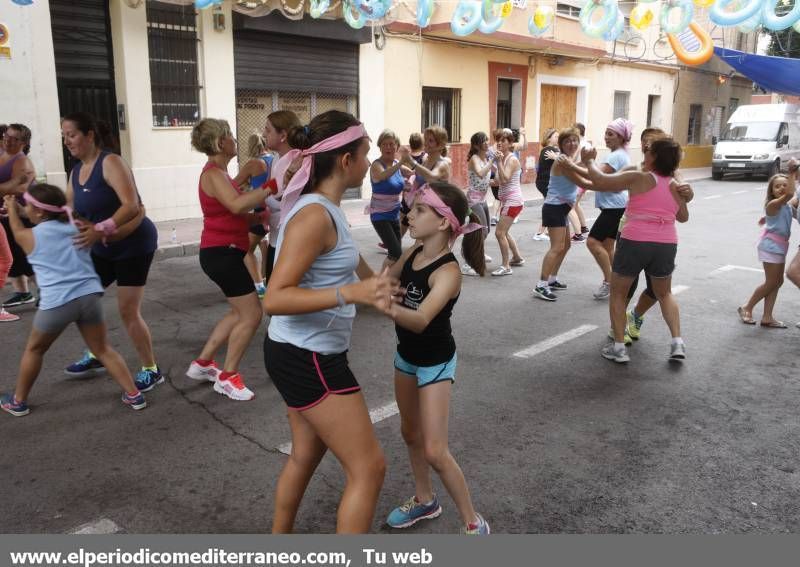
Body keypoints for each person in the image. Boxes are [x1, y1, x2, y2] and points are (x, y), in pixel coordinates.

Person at [263, 110, 394, 533]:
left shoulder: (328, 210)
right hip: (309, 358)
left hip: (300, 352)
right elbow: (275, 297)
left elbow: (353, 266)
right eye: (366, 152)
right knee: (369, 468)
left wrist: (384, 286)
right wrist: (348, 294)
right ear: (344, 161)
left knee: (305, 454)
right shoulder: (314, 215)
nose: (369, 161)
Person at [382, 181, 489, 534]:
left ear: (443, 222)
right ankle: (425, 500)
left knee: (435, 450)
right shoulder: (413, 253)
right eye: (411, 208)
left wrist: (383, 304)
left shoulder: (448, 272)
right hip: (406, 357)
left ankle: (474, 524)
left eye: (419, 210)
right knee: (410, 433)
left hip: (435, 363)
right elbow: (384, 280)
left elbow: (420, 319)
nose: (408, 214)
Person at [0, 185, 146, 417]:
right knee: (102, 349)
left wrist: (11, 208)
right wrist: (19, 208)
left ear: (38, 212)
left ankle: (18, 401)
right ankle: (134, 395)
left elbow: (16, 228)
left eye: (28, 205)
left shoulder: (30, 236)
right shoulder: (77, 227)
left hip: (57, 303)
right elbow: (33, 216)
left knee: (35, 349)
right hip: (89, 298)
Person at [61, 112, 163, 392]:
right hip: (102, 246)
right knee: (85, 299)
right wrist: (30, 211)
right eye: (64, 136)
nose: (67, 141)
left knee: (128, 310)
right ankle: (98, 352)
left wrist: (100, 229)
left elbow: (132, 206)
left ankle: (151, 369)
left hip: (134, 244)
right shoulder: (75, 171)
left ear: (89, 135)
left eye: (72, 134)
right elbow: (67, 209)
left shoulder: (111, 162)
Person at [581, 138, 690, 363]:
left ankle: (619, 348)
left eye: (648, 152)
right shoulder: (673, 185)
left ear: (655, 157)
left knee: (619, 293)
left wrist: (589, 161)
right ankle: (677, 342)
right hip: (667, 243)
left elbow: (600, 181)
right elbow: (683, 217)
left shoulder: (639, 177)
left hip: (635, 240)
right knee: (664, 293)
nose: (644, 154)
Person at [185, 118, 270, 400]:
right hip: (221, 254)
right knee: (252, 314)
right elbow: (235, 204)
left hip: (224, 251)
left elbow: (229, 213)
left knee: (238, 312)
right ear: (220, 142)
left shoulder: (220, 175)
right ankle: (228, 376)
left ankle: (203, 363)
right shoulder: (212, 174)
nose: (235, 140)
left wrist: (256, 217)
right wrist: (274, 184)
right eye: (230, 136)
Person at [737, 167, 797, 328]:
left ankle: (767, 317)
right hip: (770, 247)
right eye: (777, 186)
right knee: (772, 282)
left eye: (785, 185)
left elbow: (792, 198)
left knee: (777, 281)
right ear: (771, 191)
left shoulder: (786, 205)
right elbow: (791, 194)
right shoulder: (773, 204)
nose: (782, 188)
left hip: (780, 246)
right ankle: (747, 307)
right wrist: (792, 172)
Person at [534, 128, 587, 301]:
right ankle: (541, 286)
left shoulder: (568, 159)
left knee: (566, 246)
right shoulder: (563, 160)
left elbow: (580, 171)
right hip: (554, 208)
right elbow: (582, 178)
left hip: (562, 207)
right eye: (567, 141)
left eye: (575, 141)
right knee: (556, 247)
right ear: (561, 144)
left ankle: (552, 279)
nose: (572, 144)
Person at [587, 119, 633, 301]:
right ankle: (620, 282)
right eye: (606, 133)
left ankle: (609, 281)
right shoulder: (620, 154)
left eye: (611, 134)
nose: (606, 137)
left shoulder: (616, 156)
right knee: (607, 246)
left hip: (614, 207)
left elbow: (598, 176)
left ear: (621, 137)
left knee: (592, 242)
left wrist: (584, 163)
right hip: (617, 206)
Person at [259, 110, 302, 286]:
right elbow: (272, 191)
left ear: (283, 135)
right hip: (276, 239)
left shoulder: (298, 162)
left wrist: (254, 196)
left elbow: (285, 203)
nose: (263, 134)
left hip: (291, 243)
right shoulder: (277, 158)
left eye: (268, 130)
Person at [0, 123, 37, 310]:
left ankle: (46, 292)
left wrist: (9, 187)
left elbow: (20, 188)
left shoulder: (22, 161)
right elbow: (11, 186)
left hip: (21, 212)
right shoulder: (2, 154)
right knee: (12, 253)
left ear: (24, 142)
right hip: (5, 210)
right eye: (7, 135)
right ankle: (23, 292)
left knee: (25, 254)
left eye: (14, 138)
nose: (8, 139)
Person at [232, 133, 273, 298]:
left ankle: (260, 287)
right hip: (275, 209)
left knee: (246, 249)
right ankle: (265, 278)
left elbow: (233, 185)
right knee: (266, 246)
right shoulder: (274, 159)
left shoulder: (253, 164)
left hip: (261, 211)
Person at [368, 130, 412, 264]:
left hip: (394, 214)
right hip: (380, 216)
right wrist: (400, 163)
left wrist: (408, 185)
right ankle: (381, 283)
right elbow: (382, 176)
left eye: (392, 144)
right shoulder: (376, 165)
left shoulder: (396, 164)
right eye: (385, 144)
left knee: (396, 254)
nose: (388, 147)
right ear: (380, 147)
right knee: (396, 252)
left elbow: (413, 173)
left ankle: (391, 282)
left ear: (397, 146)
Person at [491, 130, 525, 276]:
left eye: (503, 141)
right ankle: (517, 257)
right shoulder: (503, 158)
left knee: (499, 233)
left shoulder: (511, 159)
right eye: (498, 140)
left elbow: (504, 179)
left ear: (510, 144)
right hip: (507, 201)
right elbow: (498, 181)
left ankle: (506, 266)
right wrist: (481, 182)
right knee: (505, 232)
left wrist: (498, 162)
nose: (499, 143)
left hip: (513, 201)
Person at [461, 131, 493, 276]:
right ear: (476, 145)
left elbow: (488, 178)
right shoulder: (474, 158)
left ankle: (478, 254)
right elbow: (480, 173)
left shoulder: (485, 158)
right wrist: (492, 162)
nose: (487, 143)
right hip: (474, 200)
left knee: (486, 230)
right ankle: (468, 263)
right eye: (484, 141)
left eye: (487, 140)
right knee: (480, 231)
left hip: (483, 199)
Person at [533, 128, 558, 241]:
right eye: (556, 136)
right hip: (546, 183)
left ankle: (546, 230)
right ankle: (539, 233)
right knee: (549, 207)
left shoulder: (548, 149)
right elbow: (565, 160)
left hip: (543, 182)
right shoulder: (550, 150)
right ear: (549, 138)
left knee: (550, 206)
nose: (558, 138)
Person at [570, 122, 590, 242]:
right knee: (576, 204)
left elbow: (576, 162)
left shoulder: (579, 145)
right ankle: (583, 227)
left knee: (570, 206)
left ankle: (578, 235)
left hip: (578, 177)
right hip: (585, 177)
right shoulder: (587, 144)